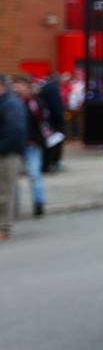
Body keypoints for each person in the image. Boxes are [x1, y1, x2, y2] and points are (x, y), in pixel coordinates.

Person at [11, 76, 46, 217]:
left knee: (34, 175)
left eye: (19, 84)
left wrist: (36, 140)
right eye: (15, 84)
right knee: (13, 177)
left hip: (31, 145)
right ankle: (15, 206)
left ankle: (38, 203)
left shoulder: (34, 103)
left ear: (27, 86)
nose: (16, 87)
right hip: (15, 145)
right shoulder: (11, 102)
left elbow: (42, 123)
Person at [0, 76, 26, 241]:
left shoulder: (10, 104)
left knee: (4, 193)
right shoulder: (5, 102)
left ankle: (4, 228)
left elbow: (14, 131)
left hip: (8, 155)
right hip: (5, 152)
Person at [38, 73, 65, 173]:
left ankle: (46, 164)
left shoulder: (44, 88)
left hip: (45, 120)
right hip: (53, 121)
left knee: (47, 144)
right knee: (54, 143)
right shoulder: (53, 89)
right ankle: (51, 164)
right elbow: (55, 107)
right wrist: (60, 119)